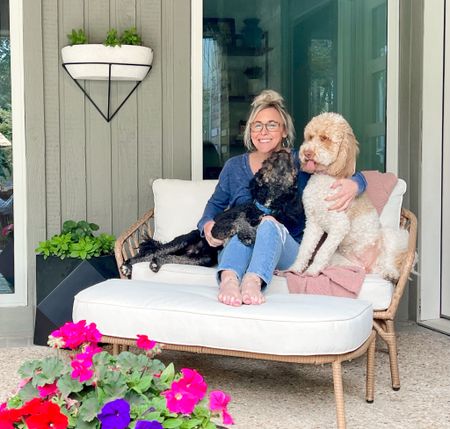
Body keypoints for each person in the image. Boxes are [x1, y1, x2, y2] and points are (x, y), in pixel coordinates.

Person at [197, 90, 366, 307]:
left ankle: (253, 280)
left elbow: (353, 170)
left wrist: (355, 184)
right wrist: (207, 224)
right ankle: (229, 279)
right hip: (242, 244)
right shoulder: (234, 167)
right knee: (245, 225)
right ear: (250, 131)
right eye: (257, 125)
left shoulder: (301, 161)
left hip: (287, 249)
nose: (263, 131)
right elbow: (214, 205)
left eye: (272, 125)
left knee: (266, 223)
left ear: (284, 131)